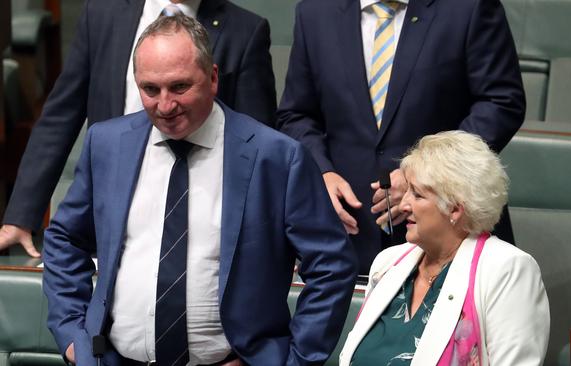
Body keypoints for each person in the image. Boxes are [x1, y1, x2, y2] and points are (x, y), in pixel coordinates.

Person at [43, 14, 357, 366]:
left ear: (212, 78)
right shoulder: (106, 144)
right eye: (150, 89)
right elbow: (65, 240)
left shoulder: (276, 158)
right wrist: (73, 335)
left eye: (179, 87)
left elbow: (331, 265)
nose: (164, 106)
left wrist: (292, 361)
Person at [0, 0, 277, 257]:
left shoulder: (245, 30)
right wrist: (21, 215)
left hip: (197, 225)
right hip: (108, 219)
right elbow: (61, 115)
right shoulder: (102, 14)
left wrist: (267, 237)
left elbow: (257, 147)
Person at [277, 0, 525, 273]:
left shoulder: (469, 6)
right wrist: (321, 173)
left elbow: (501, 103)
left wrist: (424, 175)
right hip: (348, 231)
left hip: (448, 233)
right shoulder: (315, 11)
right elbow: (296, 114)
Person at [338, 131, 549, 365]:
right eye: (406, 190)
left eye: (417, 194)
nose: (404, 204)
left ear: (455, 209)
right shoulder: (387, 263)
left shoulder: (507, 270)